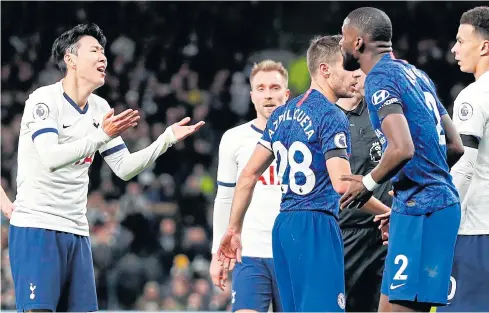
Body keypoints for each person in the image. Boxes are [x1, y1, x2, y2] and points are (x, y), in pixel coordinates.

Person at [9, 23, 204, 312]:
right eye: (94, 51)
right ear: (70, 59)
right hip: (38, 228)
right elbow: (50, 157)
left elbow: (124, 168)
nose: (103, 58)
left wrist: (166, 139)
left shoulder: (100, 108)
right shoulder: (44, 100)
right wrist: (101, 135)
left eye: (103, 52)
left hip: (77, 231)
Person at [217, 35, 390, 312]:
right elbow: (343, 185)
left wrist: (234, 229)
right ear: (325, 70)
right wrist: (385, 210)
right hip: (316, 226)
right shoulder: (332, 116)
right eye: (347, 67)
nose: (356, 76)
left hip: (283, 227)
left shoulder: (281, 115)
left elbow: (248, 175)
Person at [339, 7, 465, 312]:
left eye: (343, 36)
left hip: (423, 213)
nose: (341, 44)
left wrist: (367, 184)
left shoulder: (379, 79)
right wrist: (411, 187)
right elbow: (454, 146)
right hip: (431, 206)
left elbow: (402, 148)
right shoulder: (415, 74)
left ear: (358, 42)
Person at [210, 60, 290, 312]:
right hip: (250, 252)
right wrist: (217, 253)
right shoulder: (234, 139)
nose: (269, 95)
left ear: (286, 94)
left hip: (292, 252)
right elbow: (224, 198)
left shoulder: (306, 137)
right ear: (252, 95)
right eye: (262, 88)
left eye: (275, 87)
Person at [437, 6, 489, 312]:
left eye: (461, 40)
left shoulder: (473, 95)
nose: (455, 48)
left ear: (484, 46)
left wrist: (440, 219)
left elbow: (465, 167)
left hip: (477, 232)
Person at [336, 69, 391, 312]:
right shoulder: (327, 117)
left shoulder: (385, 112)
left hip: (385, 234)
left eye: (362, 73)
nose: (357, 78)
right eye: (352, 73)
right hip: (344, 231)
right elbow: (339, 184)